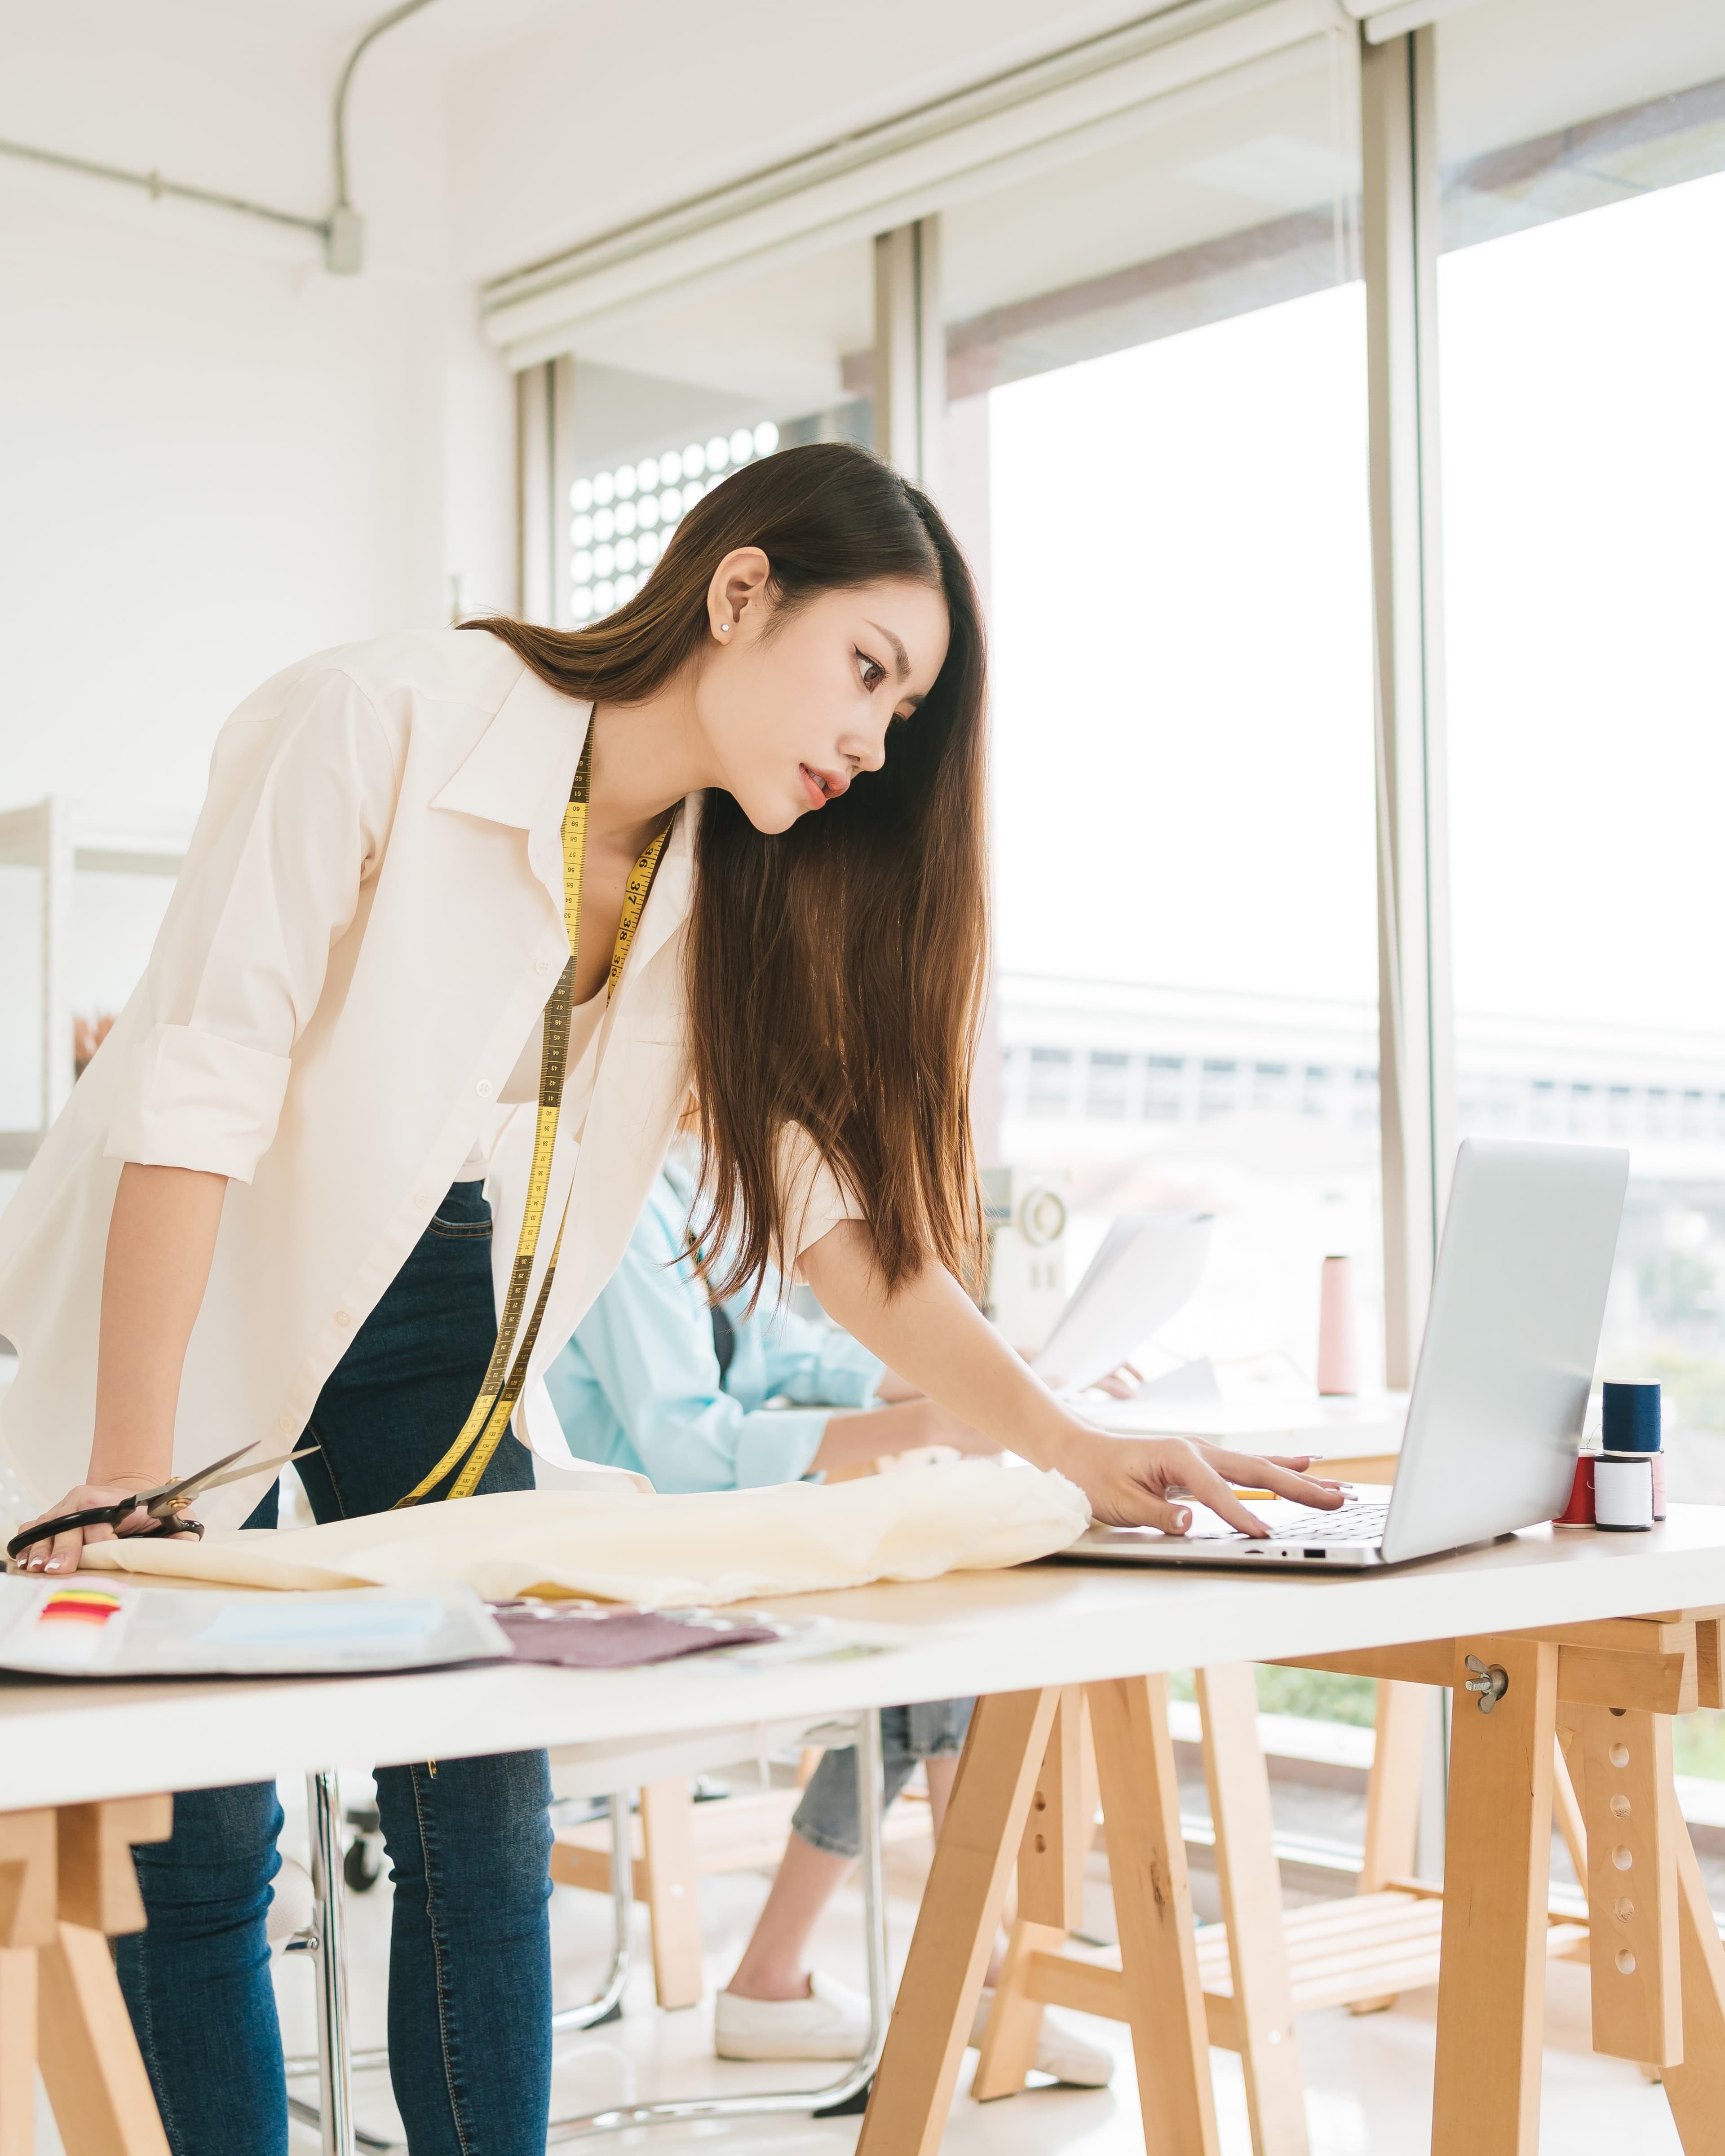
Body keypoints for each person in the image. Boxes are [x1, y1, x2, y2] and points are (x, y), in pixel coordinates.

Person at [0, 441, 1341, 2156]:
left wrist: (1073, 1447)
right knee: (195, 1845)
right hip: (204, 1262)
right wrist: (130, 1477)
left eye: (904, 714)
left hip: (432, 1296)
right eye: (869, 671)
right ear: (737, 591)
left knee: (477, 1810)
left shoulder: (720, 890)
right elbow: (195, 1103)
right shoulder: (380, 722)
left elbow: (835, 1228)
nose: (873, 741)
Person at [547, 1145, 1113, 2081]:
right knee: (928, 1633)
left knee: (927, 1642)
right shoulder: (613, 1195)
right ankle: (968, 1963)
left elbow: (776, 1353)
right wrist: (931, 1421)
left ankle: (797, 1975)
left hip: (690, 1539)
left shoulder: (682, 1179)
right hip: (625, 1565)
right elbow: (689, 1444)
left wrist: (994, 1379)